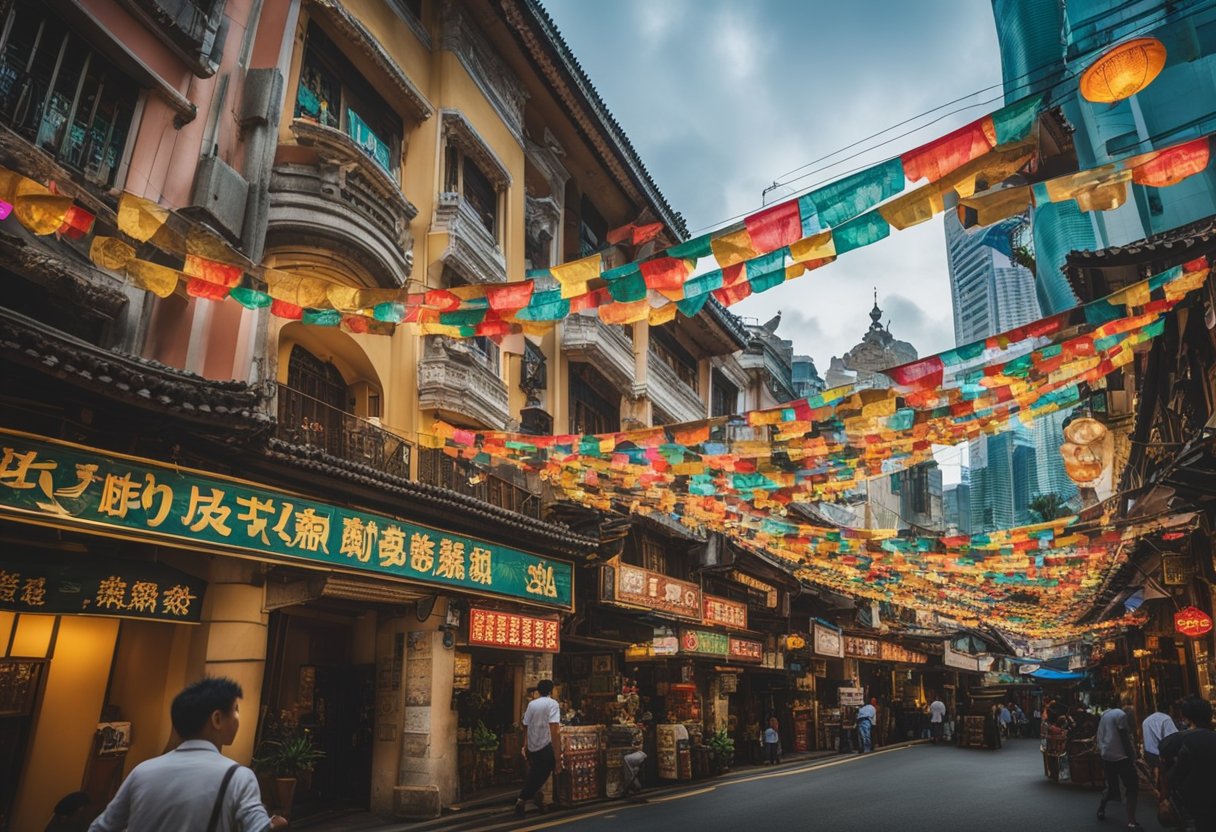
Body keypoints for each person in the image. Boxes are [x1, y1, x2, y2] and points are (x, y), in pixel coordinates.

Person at [89, 677, 286, 832]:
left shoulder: (142, 771)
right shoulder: (238, 777)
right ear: (217, 719)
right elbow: (260, 828)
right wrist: (278, 823)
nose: (238, 717)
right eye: (235, 710)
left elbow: (101, 827)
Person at [1158, 696, 1216, 832]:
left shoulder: (1174, 741)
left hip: (1187, 803)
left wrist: (1164, 794)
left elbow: (1168, 772)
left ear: (1186, 717)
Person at [515, 678, 563, 817]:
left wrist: (526, 743)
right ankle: (523, 798)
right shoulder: (553, 704)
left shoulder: (532, 704)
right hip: (545, 744)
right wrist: (557, 755)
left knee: (535, 772)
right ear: (551, 690)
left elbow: (524, 724)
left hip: (533, 745)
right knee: (544, 771)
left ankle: (535, 799)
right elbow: (554, 729)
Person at [1095, 703, 1141, 830]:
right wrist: (1132, 756)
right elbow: (1124, 737)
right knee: (1132, 787)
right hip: (1121, 757)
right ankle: (1131, 821)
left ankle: (1101, 807)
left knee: (1112, 787)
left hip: (1107, 755)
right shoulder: (1121, 716)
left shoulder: (1107, 714)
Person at [1141, 700, 1178, 780]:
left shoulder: (1146, 721)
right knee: (1167, 780)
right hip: (1162, 756)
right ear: (1170, 709)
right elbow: (1172, 738)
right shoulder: (1166, 719)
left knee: (1156, 780)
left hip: (1149, 754)